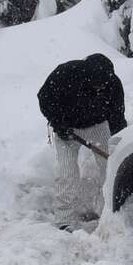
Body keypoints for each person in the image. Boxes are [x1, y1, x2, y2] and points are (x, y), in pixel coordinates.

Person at [37, 53, 126, 230]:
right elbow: (44, 98)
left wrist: (118, 143)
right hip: (67, 131)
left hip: (98, 125)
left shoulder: (112, 84)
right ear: (86, 75)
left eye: (103, 85)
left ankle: (110, 215)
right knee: (66, 173)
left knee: (110, 168)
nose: (100, 88)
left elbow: (117, 116)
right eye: (96, 85)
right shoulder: (65, 74)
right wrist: (58, 123)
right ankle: (64, 221)